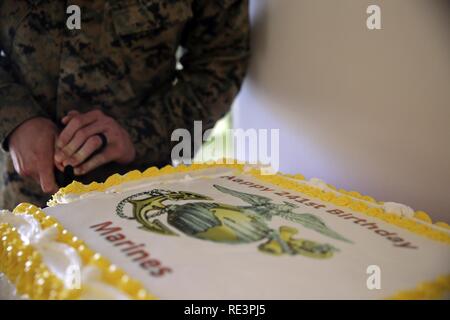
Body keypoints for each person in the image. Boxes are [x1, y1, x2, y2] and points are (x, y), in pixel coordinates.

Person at [0, 0, 250, 209]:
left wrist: (140, 134)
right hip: (21, 203)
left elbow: (222, 59)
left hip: (141, 201)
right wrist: (15, 118)